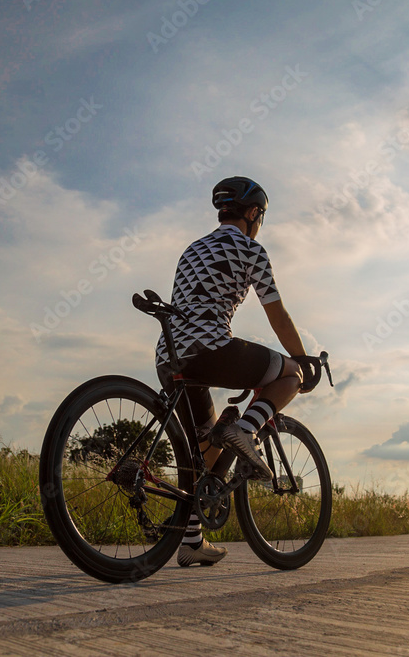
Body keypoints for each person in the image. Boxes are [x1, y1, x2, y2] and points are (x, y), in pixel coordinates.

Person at [154, 176, 311, 567]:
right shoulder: (251, 248)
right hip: (212, 350)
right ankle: (245, 430)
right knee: (291, 373)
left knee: (204, 456)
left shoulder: (192, 249)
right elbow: (277, 314)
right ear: (254, 213)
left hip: (169, 356)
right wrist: (304, 357)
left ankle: (191, 541)